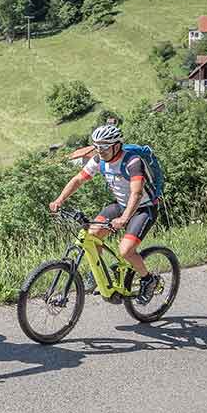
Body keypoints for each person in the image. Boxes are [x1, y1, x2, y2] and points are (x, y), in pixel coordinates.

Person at [48, 123, 160, 301]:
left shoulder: (132, 162)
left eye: (104, 147)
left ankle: (149, 279)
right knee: (91, 235)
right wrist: (59, 200)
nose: (100, 151)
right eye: (96, 146)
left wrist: (124, 218)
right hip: (120, 205)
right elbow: (78, 180)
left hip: (143, 208)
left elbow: (137, 193)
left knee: (125, 251)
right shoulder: (99, 160)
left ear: (117, 145)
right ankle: (100, 275)